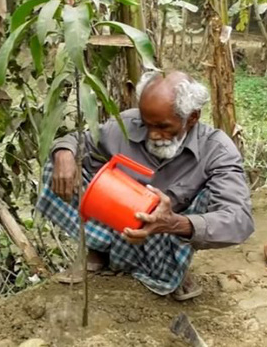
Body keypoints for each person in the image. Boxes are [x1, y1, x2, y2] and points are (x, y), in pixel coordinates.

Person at [35, 70, 255, 300]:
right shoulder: (125, 124)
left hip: (166, 235)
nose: (152, 134)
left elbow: (239, 219)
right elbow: (79, 141)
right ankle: (99, 250)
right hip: (115, 221)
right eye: (146, 123)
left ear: (192, 118)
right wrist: (64, 152)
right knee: (60, 167)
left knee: (209, 197)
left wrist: (174, 223)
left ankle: (171, 268)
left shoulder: (216, 150)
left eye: (163, 126)